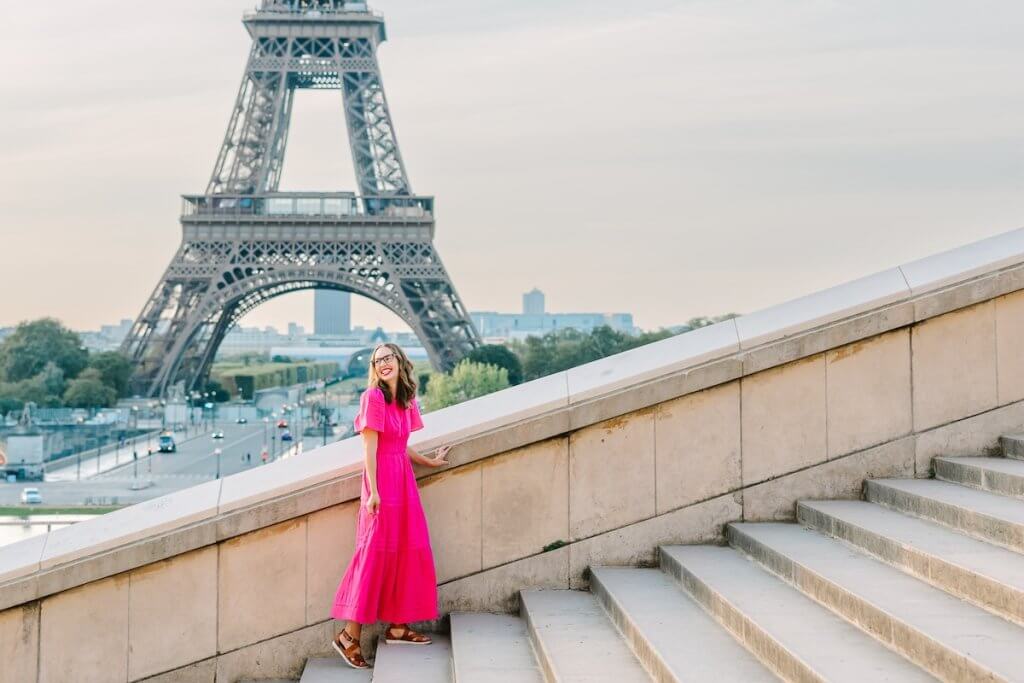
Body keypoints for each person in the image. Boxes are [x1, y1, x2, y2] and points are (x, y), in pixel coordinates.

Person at [330, 342, 450, 669]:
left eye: (388, 357)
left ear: (400, 361)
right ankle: (349, 636)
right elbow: (370, 447)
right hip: (382, 483)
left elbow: (402, 445)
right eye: (377, 360)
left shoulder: (406, 399)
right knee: (374, 556)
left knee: (408, 552)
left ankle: (398, 625)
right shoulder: (374, 397)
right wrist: (373, 491)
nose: (383, 363)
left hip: (404, 483)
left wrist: (430, 462)